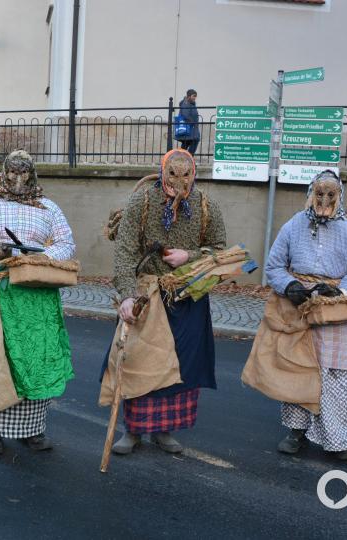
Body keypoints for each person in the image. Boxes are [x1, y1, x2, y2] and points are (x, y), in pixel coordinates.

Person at [0, 150, 76, 455]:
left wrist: (42, 257)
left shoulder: (48, 207)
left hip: (38, 296)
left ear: (33, 173)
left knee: (37, 358)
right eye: (13, 173)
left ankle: (33, 431)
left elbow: (66, 243)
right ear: (4, 172)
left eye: (24, 173)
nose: (18, 179)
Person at [109, 148, 226, 455]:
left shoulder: (206, 206)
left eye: (185, 176)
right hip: (147, 294)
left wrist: (190, 256)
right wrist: (126, 295)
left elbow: (219, 250)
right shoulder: (142, 202)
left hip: (187, 296)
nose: (178, 183)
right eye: (172, 175)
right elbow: (125, 252)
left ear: (194, 174)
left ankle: (165, 430)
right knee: (139, 361)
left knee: (180, 364)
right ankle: (133, 430)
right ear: (162, 172)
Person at [262, 169, 347, 461]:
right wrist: (289, 285)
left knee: (338, 375)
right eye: (319, 193)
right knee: (299, 369)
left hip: (335, 312)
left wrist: (342, 292)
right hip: (299, 309)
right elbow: (273, 266)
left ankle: (340, 437)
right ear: (311, 194)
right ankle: (296, 432)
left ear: (339, 196)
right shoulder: (292, 226)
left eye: (330, 194)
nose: (324, 199)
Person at [178, 89, 200, 155]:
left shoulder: (192, 104)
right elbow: (185, 115)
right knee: (194, 141)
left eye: (195, 96)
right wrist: (193, 122)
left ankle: (182, 159)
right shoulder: (185, 103)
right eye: (193, 96)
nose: (195, 97)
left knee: (186, 143)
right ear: (189, 96)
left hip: (192, 128)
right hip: (189, 127)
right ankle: (188, 158)